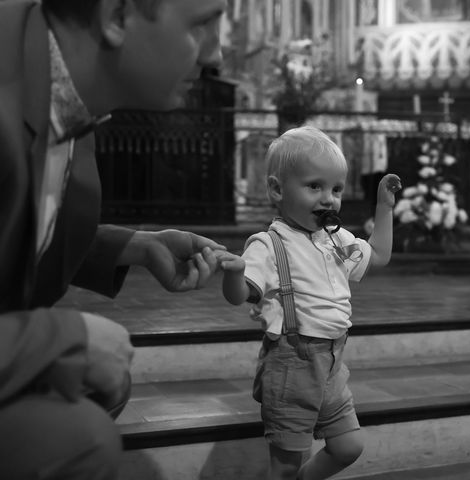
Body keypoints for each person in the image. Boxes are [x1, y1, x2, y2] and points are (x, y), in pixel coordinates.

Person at [0, 0, 228, 479]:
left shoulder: (63, 87)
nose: (216, 55)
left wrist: (133, 246)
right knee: (77, 440)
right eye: (204, 22)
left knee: (104, 386)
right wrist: (64, 338)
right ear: (117, 16)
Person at [215, 126, 401, 479]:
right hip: (292, 365)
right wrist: (234, 273)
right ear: (276, 189)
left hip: (331, 362)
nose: (328, 198)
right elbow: (239, 295)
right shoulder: (269, 244)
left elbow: (377, 255)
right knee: (285, 464)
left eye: (336, 189)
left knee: (349, 446)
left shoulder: (336, 239)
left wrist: (384, 208)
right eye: (314, 186)